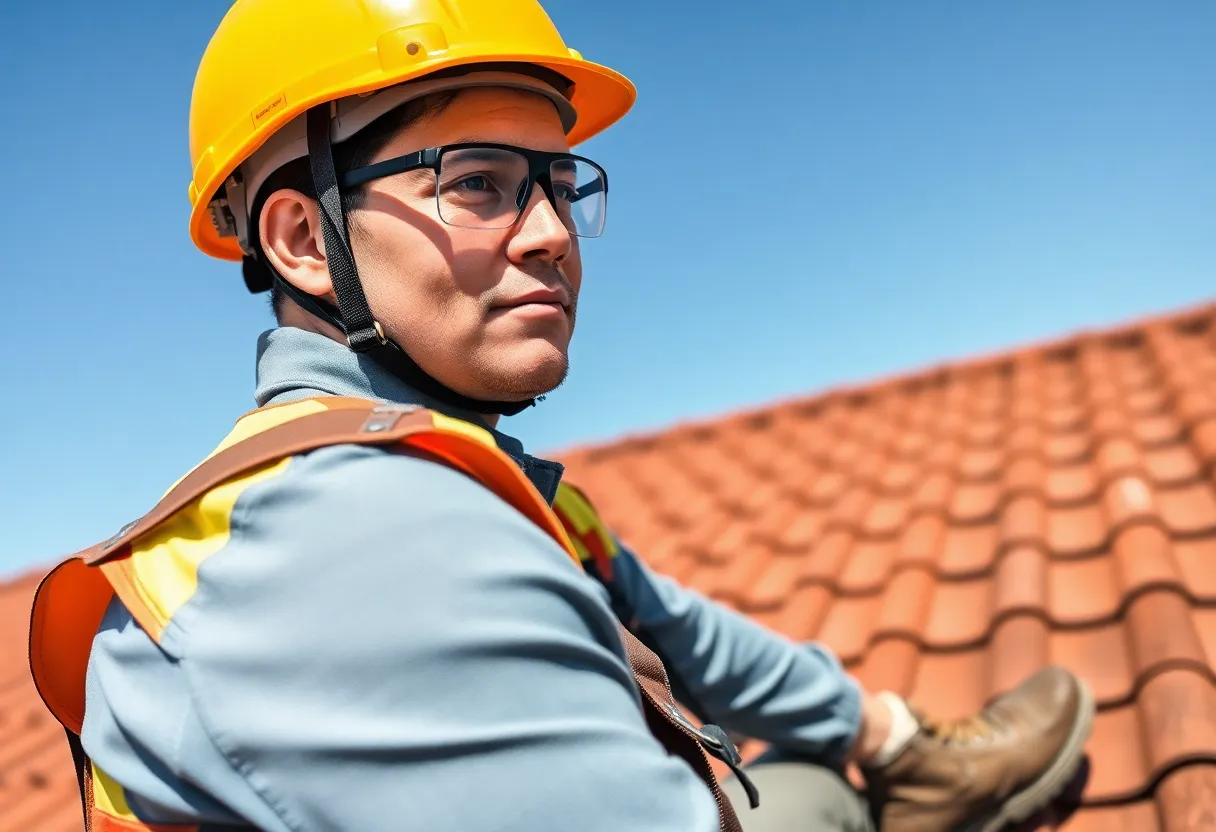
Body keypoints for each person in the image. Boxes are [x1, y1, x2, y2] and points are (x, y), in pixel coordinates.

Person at [31, 2, 1093, 830]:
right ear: (306, 240)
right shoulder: (365, 536)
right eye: (477, 182)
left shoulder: (450, 474)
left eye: (557, 181)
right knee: (819, 795)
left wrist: (893, 735)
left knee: (822, 765)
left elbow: (671, 622)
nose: (551, 233)